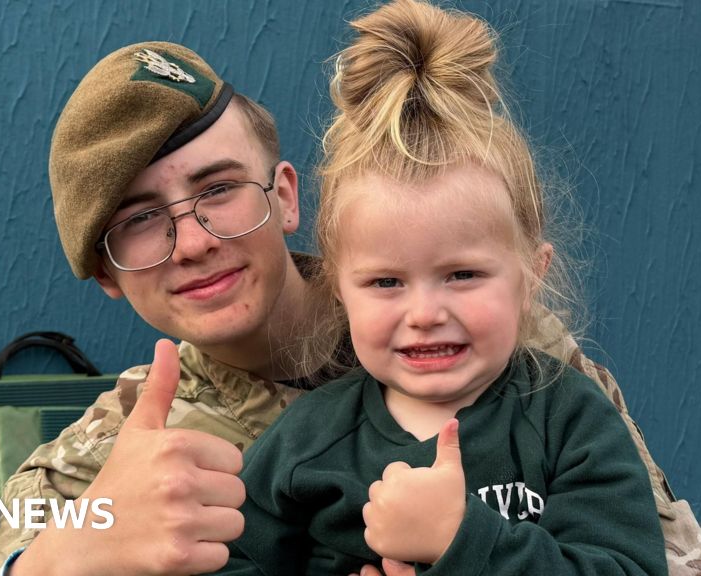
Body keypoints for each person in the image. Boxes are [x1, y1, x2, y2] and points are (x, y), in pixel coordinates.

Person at [0, 32, 701, 576]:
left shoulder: (504, 343)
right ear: (107, 273)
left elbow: (667, 557)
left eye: (218, 189)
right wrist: (66, 556)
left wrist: (467, 541)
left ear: (286, 197)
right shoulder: (121, 442)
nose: (191, 241)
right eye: (140, 219)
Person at [217, 0, 669, 574]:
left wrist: (463, 540)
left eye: (462, 275)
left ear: (532, 276)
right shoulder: (308, 439)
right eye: (386, 281)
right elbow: (224, 557)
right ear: (339, 291)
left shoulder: (569, 420)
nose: (425, 313)